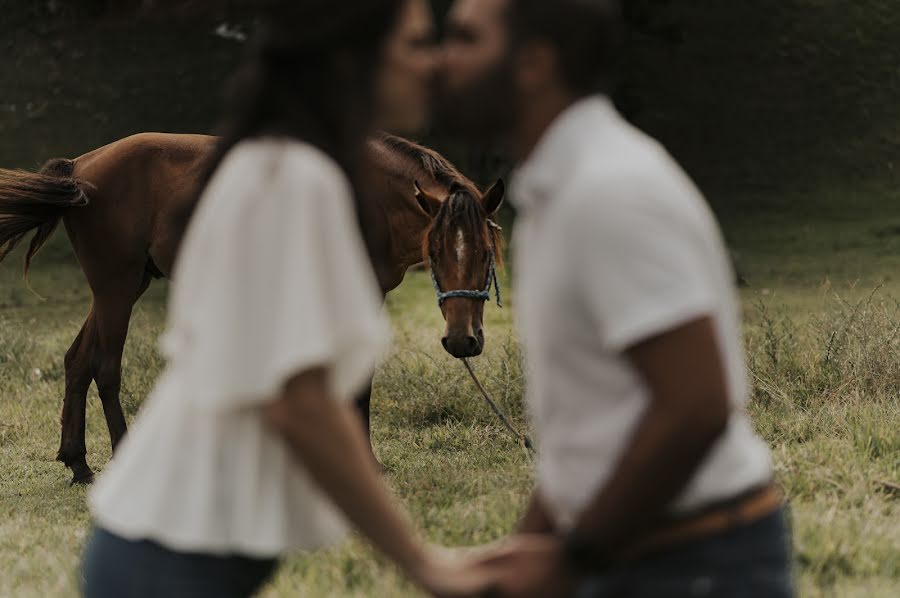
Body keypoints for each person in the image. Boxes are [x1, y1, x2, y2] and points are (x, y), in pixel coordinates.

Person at [80, 2, 493, 597]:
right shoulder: (298, 178)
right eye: (416, 44)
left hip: (179, 544)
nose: (435, 63)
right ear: (353, 61)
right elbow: (299, 403)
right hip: (175, 554)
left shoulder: (289, 165)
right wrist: (426, 564)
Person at [437, 1, 795, 596]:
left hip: (694, 566)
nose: (440, 59)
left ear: (533, 63)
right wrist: (528, 551)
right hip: (635, 554)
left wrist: (574, 557)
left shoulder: (611, 190)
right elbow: (593, 424)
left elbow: (696, 403)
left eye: (465, 39)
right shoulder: (557, 190)